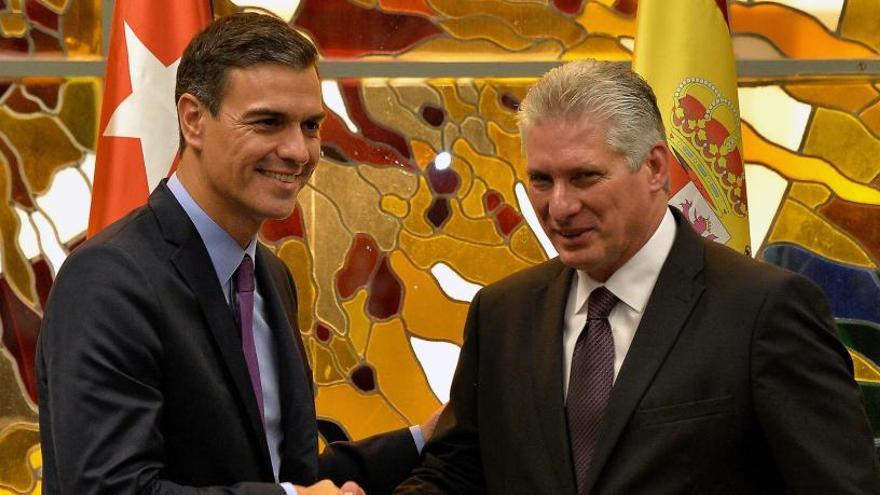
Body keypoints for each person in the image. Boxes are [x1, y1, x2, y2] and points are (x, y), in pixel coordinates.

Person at [394, 60, 880, 494]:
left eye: (584, 177)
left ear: (653, 168)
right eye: (542, 180)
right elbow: (456, 472)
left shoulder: (765, 310)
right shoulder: (501, 314)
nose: (559, 207)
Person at [36, 12, 433, 495]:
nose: (298, 151)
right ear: (193, 120)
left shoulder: (273, 275)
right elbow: (108, 488)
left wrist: (426, 437)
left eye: (310, 125)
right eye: (268, 122)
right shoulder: (107, 279)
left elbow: (281, 475)